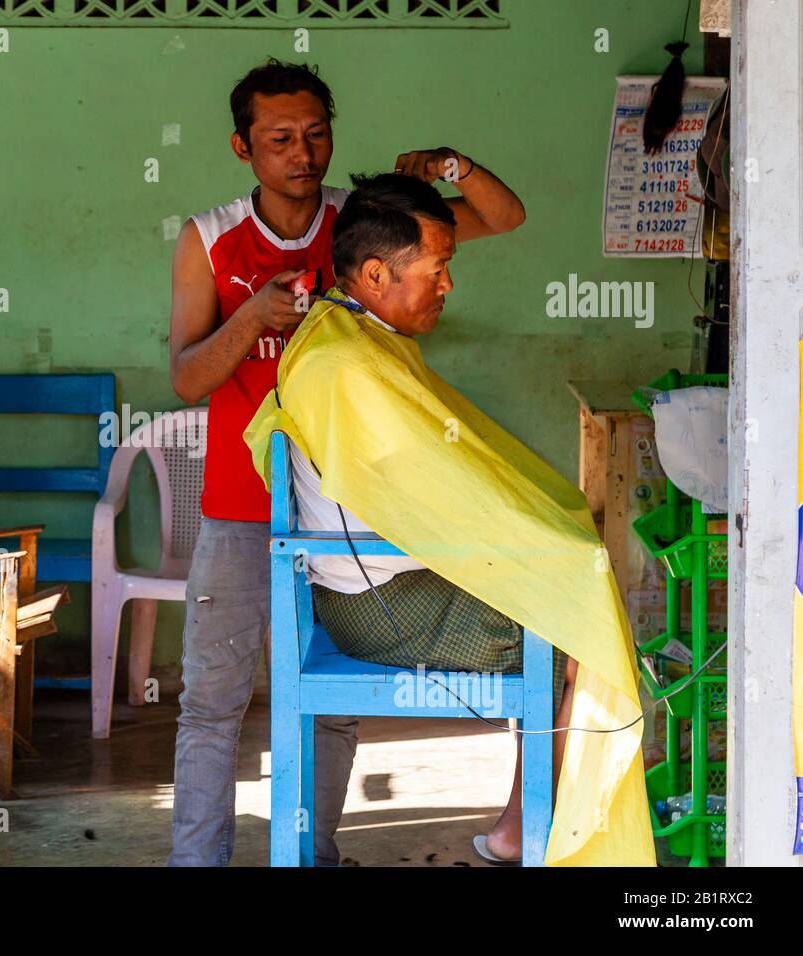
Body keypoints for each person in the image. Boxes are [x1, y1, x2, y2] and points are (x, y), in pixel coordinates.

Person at [166, 57, 526, 866]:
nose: (304, 153)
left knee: (326, 704)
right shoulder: (211, 239)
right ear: (242, 147)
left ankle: (310, 853)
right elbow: (188, 377)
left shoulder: (363, 225)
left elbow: (504, 217)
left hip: (342, 518)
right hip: (240, 502)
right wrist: (253, 315)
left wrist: (449, 166)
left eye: (317, 134)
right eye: (280, 139)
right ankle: (195, 861)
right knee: (212, 704)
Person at [244, 173, 654, 866]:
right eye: (438, 270)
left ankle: (523, 821)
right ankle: (528, 827)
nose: (448, 286)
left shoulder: (346, 331)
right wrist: (541, 545)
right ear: (376, 273)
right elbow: (427, 497)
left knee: (570, 581)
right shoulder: (348, 361)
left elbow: (437, 485)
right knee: (570, 615)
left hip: (370, 584)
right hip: (377, 606)